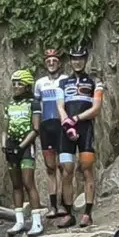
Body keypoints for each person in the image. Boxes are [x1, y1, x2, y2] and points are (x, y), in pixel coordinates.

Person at [56, 46, 104, 228]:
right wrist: (67, 123)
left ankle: (88, 213)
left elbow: (96, 108)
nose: (77, 61)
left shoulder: (94, 82)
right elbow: (60, 106)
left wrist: (75, 119)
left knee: (87, 169)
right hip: (65, 130)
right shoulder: (63, 83)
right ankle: (68, 214)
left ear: (85, 59)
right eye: (74, 58)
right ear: (70, 60)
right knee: (67, 170)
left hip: (85, 129)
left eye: (81, 58)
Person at [2, 69, 43, 237]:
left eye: (20, 84)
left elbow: (36, 129)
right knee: (16, 184)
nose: (16, 87)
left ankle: (37, 222)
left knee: (28, 182)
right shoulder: (10, 104)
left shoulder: (33, 103)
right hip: (11, 145)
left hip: (26, 146)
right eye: (14, 84)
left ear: (27, 86)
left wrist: (21, 146)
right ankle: (19, 221)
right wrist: (4, 145)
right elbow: (5, 127)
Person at [34, 48, 66, 218]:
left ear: (59, 63)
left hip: (61, 126)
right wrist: (37, 128)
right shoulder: (40, 83)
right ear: (45, 63)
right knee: (50, 167)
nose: (51, 63)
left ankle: (63, 203)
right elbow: (37, 107)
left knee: (63, 166)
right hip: (46, 127)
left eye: (54, 60)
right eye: (48, 61)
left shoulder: (65, 80)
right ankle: (52, 205)